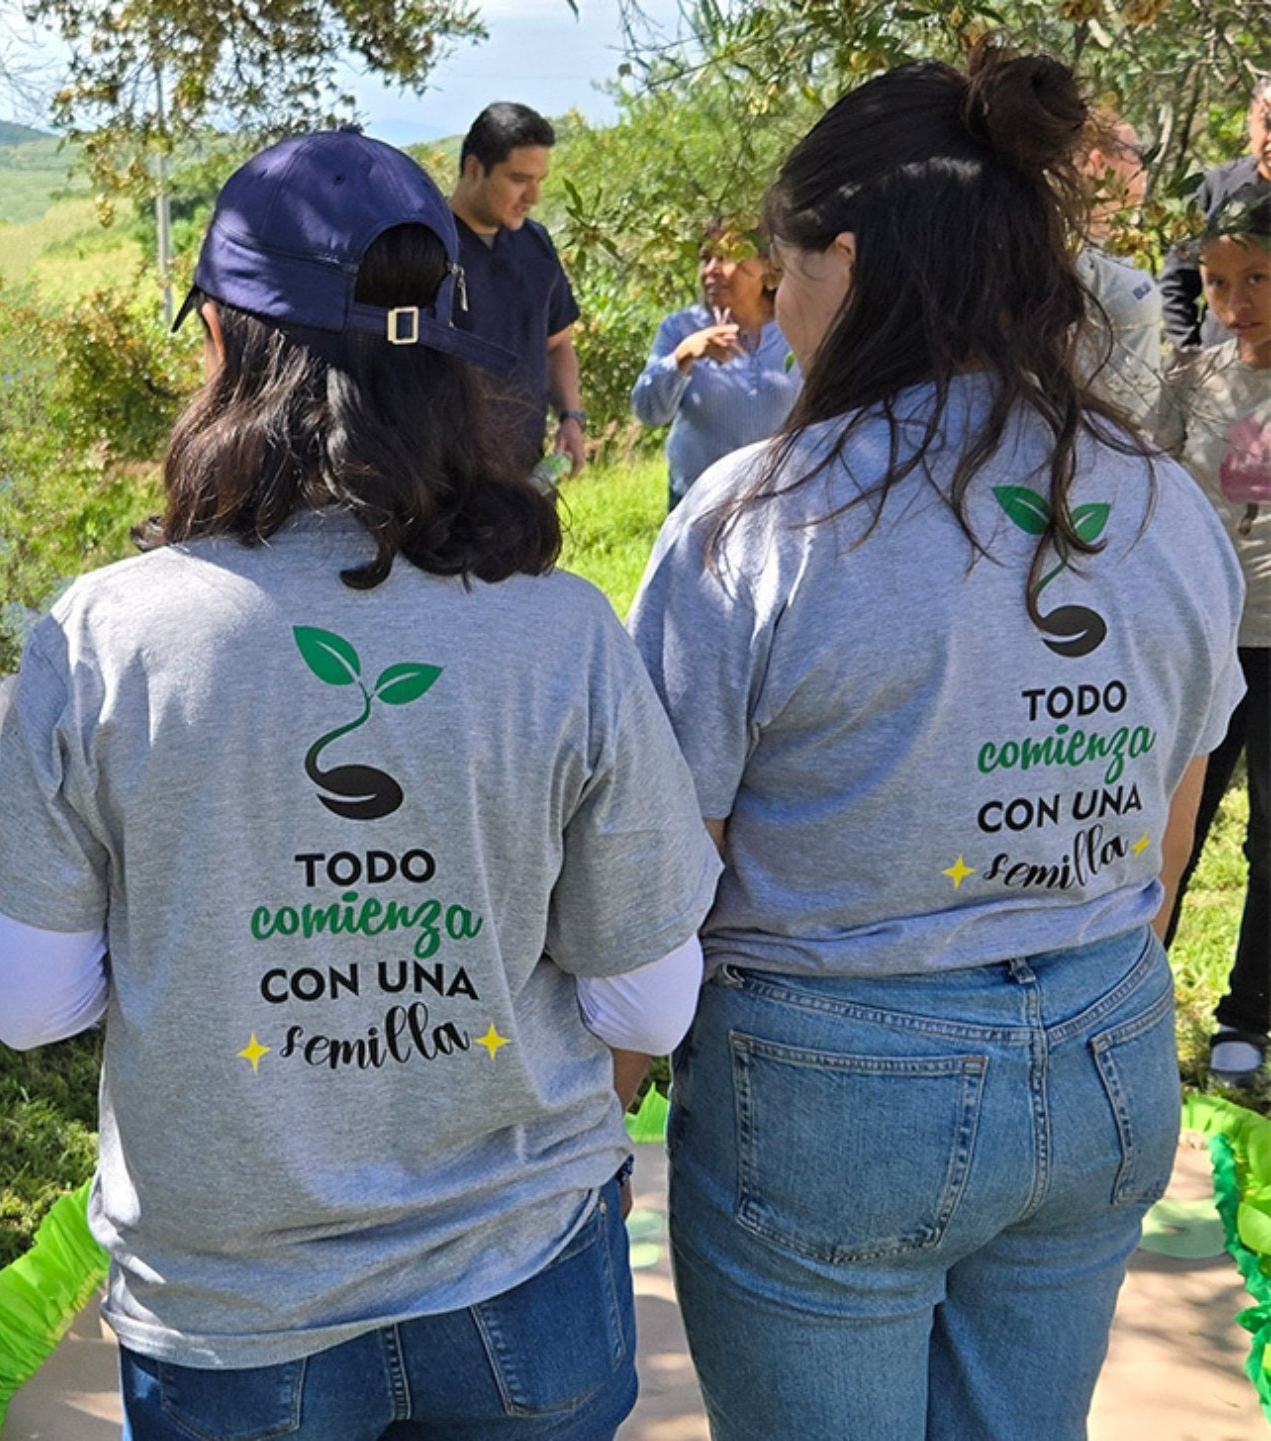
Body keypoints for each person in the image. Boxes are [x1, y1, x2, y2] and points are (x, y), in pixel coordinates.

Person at [0, 130, 721, 1441]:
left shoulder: (104, 637)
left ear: (219, 337)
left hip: (229, 1310)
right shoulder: (560, 631)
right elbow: (649, 997)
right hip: (524, 1281)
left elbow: (29, 1004)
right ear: (446, 357)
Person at [629, 51, 1240, 1441]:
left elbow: (660, 885)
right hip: (1104, 1046)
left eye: (783, 272)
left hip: (837, 1088)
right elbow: (1171, 829)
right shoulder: (1162, 507)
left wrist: (575, 1136)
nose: (778, 312)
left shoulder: (756, 522)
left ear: (842, 257)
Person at [1155, 181, 1271, 1084]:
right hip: (1198, 646)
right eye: (1219, 282)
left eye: (1260, 280)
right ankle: (1129, 990)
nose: (1237, 306)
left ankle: (1249, 1014)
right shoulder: (1190, 381)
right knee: (1167, 825)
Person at [448, 102, 588, 481]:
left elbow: (557, 344)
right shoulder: (427, 247)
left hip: (526, 480)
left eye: (539, 180)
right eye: (519, 179)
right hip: (443, 485)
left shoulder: (535, 244)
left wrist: (571, 417)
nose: (534, 195)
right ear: (474, 168)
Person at [629, 218, 799, 509]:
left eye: (726, 257)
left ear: (765, 265)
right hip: (699, 503)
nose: (711, 270)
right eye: (705, 258)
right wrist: (682, 357)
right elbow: (648, 413)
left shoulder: (795, 327)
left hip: (778, 500)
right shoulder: (681, 328)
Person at [1163, 77, 1271, 351]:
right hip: (1223, 370)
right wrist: (1189, 352)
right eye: (1267, 122)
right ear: (1250, 125)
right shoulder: (1217, 187)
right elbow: (1176, 280)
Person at [1078, 112, 1164, 422]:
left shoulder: (1118, 243)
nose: (1143, 166)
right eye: (1137, 153)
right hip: (1096, 435)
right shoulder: (1073, 256)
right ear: (1100, 161)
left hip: (1136, 434)